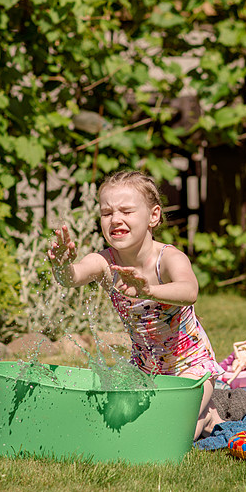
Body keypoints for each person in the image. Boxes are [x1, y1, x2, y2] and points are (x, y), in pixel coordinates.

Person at [48, 170, 225, 439]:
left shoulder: (168, 258)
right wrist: (61, 265)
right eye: (107, 213)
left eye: (126, 211)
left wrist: (150, 291)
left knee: (168, 433)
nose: (115, 219)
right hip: (144, 368)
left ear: (153, 216)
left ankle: (207, 416)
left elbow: (190, 291)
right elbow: (71, 278)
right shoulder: (105, 262)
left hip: (190, 366)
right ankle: (199, 412)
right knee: (112, 424)